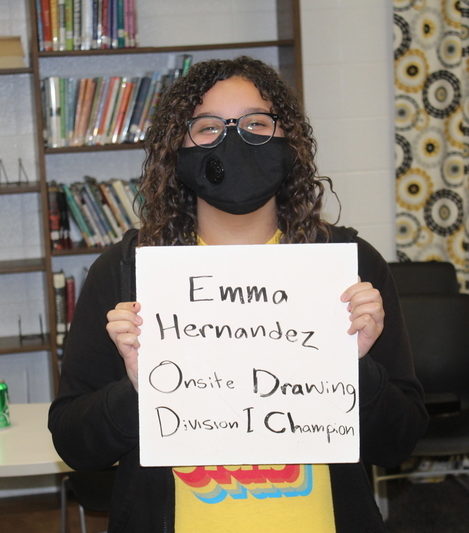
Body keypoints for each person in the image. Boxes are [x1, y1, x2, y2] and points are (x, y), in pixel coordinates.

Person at [49, 56, 428, 532]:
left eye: (256, 124)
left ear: (289, 139)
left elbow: (400, 442)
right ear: (176, 147)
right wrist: (139, 390)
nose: (233, 141)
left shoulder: (348, 268)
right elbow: (74, 443)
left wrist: (353, 369)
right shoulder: (127, 273)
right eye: (208, 127)